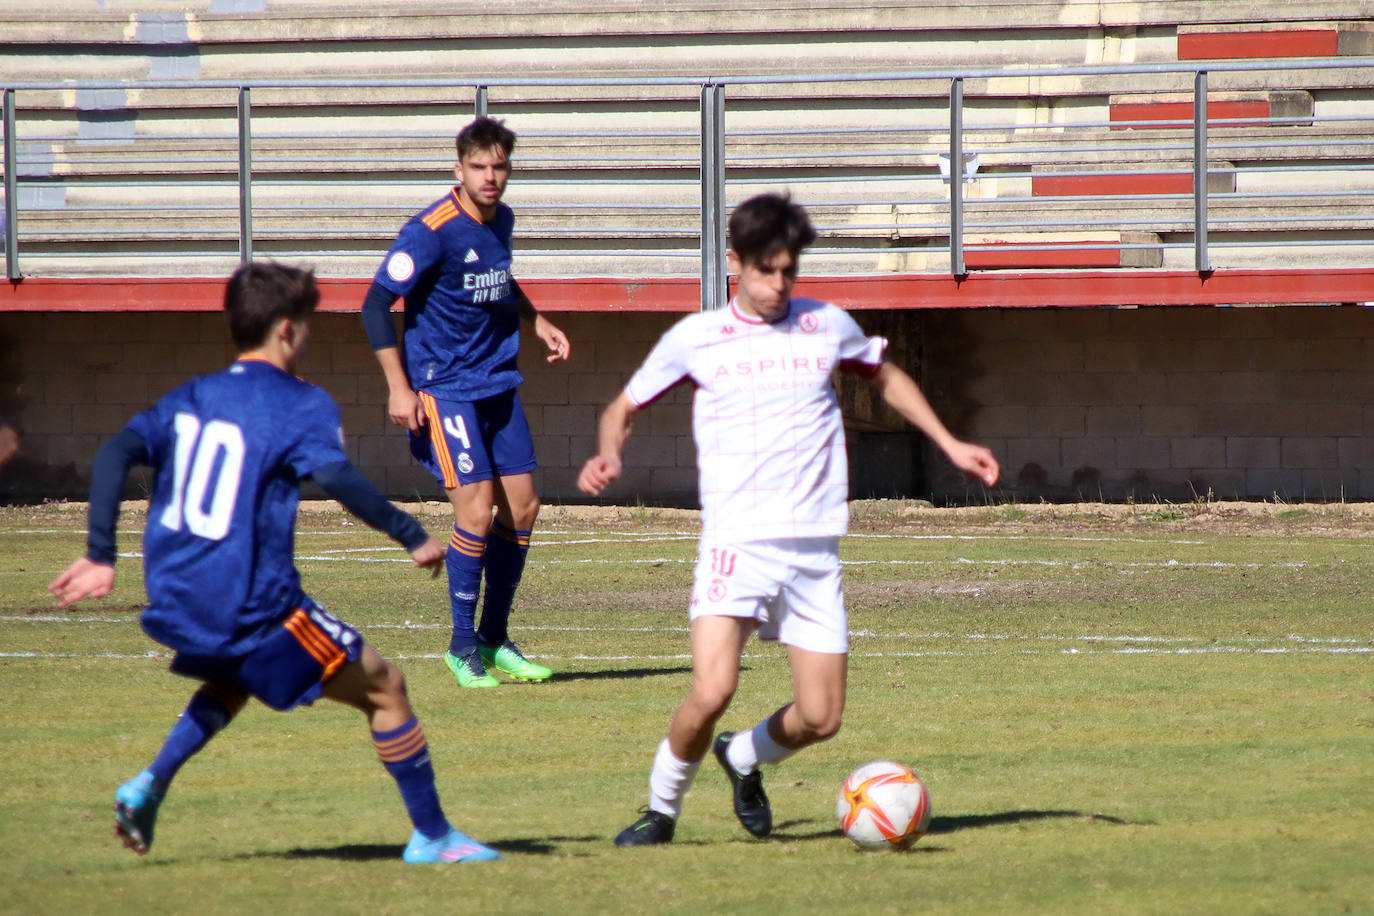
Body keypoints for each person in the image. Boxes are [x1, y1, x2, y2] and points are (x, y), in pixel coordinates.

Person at [577, 193, 1000, 846]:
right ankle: (661, 811)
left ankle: (742, 757)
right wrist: (609, 454)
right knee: (711, 689)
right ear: (734, 263)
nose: (778, 285)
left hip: (812, 552)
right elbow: (620, 408)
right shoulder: (697, 339)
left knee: (821, 716)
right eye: (764, 271)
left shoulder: (825, 325)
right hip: (735, 545)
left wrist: (949, 442)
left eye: (789, 272)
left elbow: (885, 377)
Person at [49, 262, 501, 865]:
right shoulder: (299, 402)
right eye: (306, 326)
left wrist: (101, 555)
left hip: (178, 593)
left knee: (235, 678)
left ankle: (148, 784)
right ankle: (434, 837)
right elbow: (337, 477)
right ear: (287, 330)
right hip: (252, 601)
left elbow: (114, 453)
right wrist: (411, 532)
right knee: (387, 688)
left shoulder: (191, 395)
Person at [361, 116, 569, 689]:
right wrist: (399, 387)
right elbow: (376, 305)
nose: (490, 177)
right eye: (479, 167)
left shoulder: (502, 220)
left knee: (522, 509)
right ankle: (460, 648)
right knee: (475, 512)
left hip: (497, 382)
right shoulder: (430, 230)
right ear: (459, 169)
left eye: (499, 166)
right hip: (443, 388)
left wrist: (537, 319)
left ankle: (494, 639)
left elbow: (497, 279)